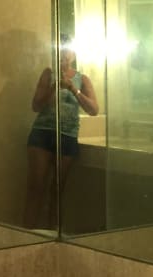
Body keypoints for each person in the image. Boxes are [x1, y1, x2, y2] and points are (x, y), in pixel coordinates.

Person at [23, 36, 99, 230]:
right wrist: (54, 87)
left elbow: (93, 110)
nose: (64, 54)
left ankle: (54, 236)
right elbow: (36, 106)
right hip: (42, 134)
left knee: (57, 190)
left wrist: (73, 88)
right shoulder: (48, 74)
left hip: (67, 136)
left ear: (73, 54)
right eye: (60, 50)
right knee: (36, 187)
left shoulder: (82, 79)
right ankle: (27, 234)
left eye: (67, 50)